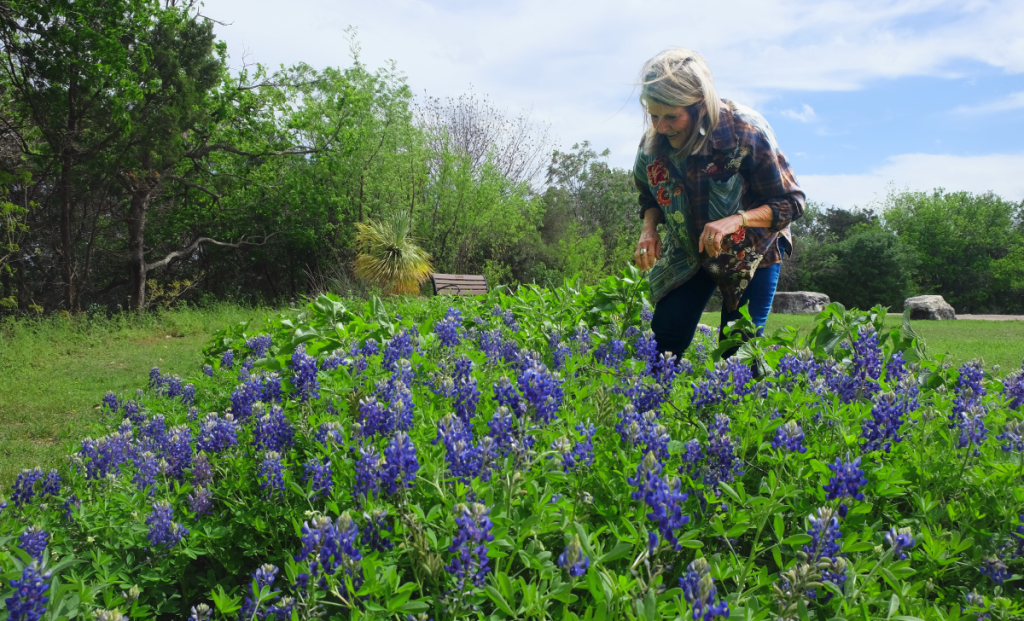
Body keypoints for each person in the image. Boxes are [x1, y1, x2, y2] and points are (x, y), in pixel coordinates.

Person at [632, 48, 805, 357]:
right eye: (654, 115)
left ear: (700, 105)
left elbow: (791, 202)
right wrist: (649, 229)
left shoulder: (745, 130)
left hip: (751, 251)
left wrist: (736, 219)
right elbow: (649, 194)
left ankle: (734, 401)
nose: (660, 126)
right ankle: (653, 403)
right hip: (690, 250)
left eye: (671, 116)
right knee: (663, 341)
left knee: (738, 348)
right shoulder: (653, 143)